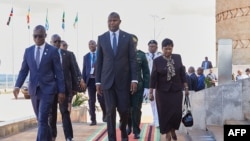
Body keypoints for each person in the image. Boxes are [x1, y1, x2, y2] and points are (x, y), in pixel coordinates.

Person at [13, 25, 65, 141]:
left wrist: (61, 90)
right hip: (34, 91)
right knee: (41, 120)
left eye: (40, 36)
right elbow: (24, 70)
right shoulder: (28, 51)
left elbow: (59, 72)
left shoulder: (53, 51)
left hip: (48, 90)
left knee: (42, 119)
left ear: (45, 36)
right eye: (35, 36)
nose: (37, 39)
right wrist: (17, 86)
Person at [95, 12, 137, 141]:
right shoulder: (101, 38)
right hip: (107, 81)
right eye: (109, 21)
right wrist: (97, 82)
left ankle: (123, 129)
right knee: (110, 111)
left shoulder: (128, 38)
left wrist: (134, 79)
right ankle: (112, 138)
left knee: (124, 110)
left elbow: (132, 60)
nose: (111, 23)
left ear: (119, 21)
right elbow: (99, 61)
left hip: (123, 82)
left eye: (114, 20)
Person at [149, 38, 189, 141]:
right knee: (164, 114)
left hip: (176, 91)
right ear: (162, 49)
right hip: (162, 92)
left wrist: (186, 87)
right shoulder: (157, 61)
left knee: (176, 113)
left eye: (170, 49)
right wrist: (150, 92)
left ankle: (173, 130)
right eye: (166, 49)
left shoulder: (177, 57)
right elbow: (153, 78)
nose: (168, 51)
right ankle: (167, 133)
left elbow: (182, 73)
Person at [49, 34, 85, 141]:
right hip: (51, 90)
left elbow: (74, 71)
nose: (56, 43)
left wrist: (78, 84)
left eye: (58, 41)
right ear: (50, 42)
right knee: (52, 114)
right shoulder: (47, 55)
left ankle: (69, 137)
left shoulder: (68, 55)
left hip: (63, 90)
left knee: (65, 112)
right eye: (54, 41)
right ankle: (52, 136)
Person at [126, 34, 150, 139]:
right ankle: (128, 125)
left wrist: (146, 87)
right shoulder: (122, 55)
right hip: (124, 87)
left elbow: (146, 72)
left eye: (134, 43)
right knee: (125, 109)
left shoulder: (141, 55)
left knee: (136, 109)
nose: (133, 45)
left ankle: (136, 130)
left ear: (137, 43)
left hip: (138, 87)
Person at [82, 40, 106, 126]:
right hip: (90, 81)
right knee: (91, 101)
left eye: (92, 44)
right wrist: (83, 81)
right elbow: (84, 70)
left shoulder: (101, 55)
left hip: (99, 81)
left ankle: (105, 114)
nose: (91, 45)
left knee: (101, 99)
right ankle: (93, 120)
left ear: (96, 45)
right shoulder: (86, 57)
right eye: (89, 44)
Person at [145, 39, 161, 127]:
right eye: (150, 46)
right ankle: (154, 120)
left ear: (157, 47)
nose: (151, 48)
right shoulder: (145, 56)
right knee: (152, 102)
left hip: (158, 82)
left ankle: (158, 121)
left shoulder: (160, 56)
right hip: (149, 82)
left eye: (153, 46)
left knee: (158, 102)